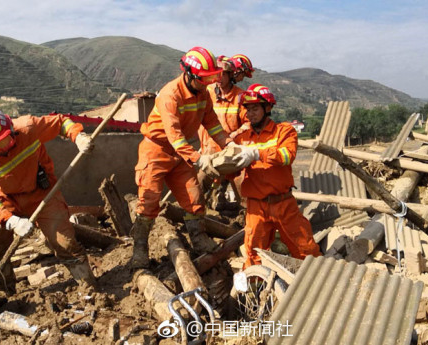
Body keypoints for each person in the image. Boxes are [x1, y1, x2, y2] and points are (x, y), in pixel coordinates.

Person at [0, 108, 96, 294]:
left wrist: (78, 137)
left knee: (65, 244)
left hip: (41, 193)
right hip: (5, 202)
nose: (2, 148)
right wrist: (10, 220)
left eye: (5, 140)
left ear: (12, 129)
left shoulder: (28, 128)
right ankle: (5, 293)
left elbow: (60, 122)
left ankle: (89, 288)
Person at [130, 46, 234, 268]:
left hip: (181, 154)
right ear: (189, 74)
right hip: (156, 150)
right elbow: (175, 136)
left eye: (210, 78)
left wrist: (228, 145)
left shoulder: (203, 93)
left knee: (194, 198)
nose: (207, 83)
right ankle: (139, 249)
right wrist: (199, 159)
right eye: (203, 79)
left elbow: (212, 124)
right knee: (148, 203)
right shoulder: (170, 95)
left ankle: (199, 239)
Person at [230, 84, 322, 268]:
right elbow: (230, 168)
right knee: (254, 254)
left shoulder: (284, 131)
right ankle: (256, 293)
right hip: (256, 206)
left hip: (283, 203)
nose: (250, 113)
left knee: (305, 249)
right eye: (247, 109)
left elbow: (287, 156)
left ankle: (318, 286)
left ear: (268, 108)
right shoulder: (241, 138)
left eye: (255, 108)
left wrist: (257, 153)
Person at [197, 54, 254, 208]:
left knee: (243, 191)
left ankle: (248, 222)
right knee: (200, 190)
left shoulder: (240, 96)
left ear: (231, 75)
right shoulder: (207, 92)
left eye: (223, 74)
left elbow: (250, 123)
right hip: (208, 152)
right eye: (217, 74)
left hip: (231, 154)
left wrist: (233, 136)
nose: (219, 78)